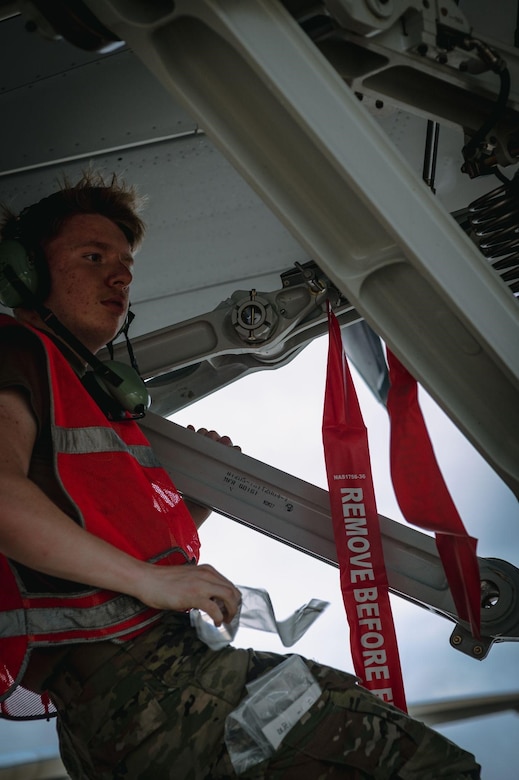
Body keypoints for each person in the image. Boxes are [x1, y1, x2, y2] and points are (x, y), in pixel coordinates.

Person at [0, 172, 481, 779]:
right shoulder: (15, 350)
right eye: (92, 257)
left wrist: (183, 520)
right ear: (25, 274)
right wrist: (150, 579)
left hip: (118, 716)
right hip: (155, 685)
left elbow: (66, 529)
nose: (120, 277)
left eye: (125, 263)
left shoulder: (78, 396)